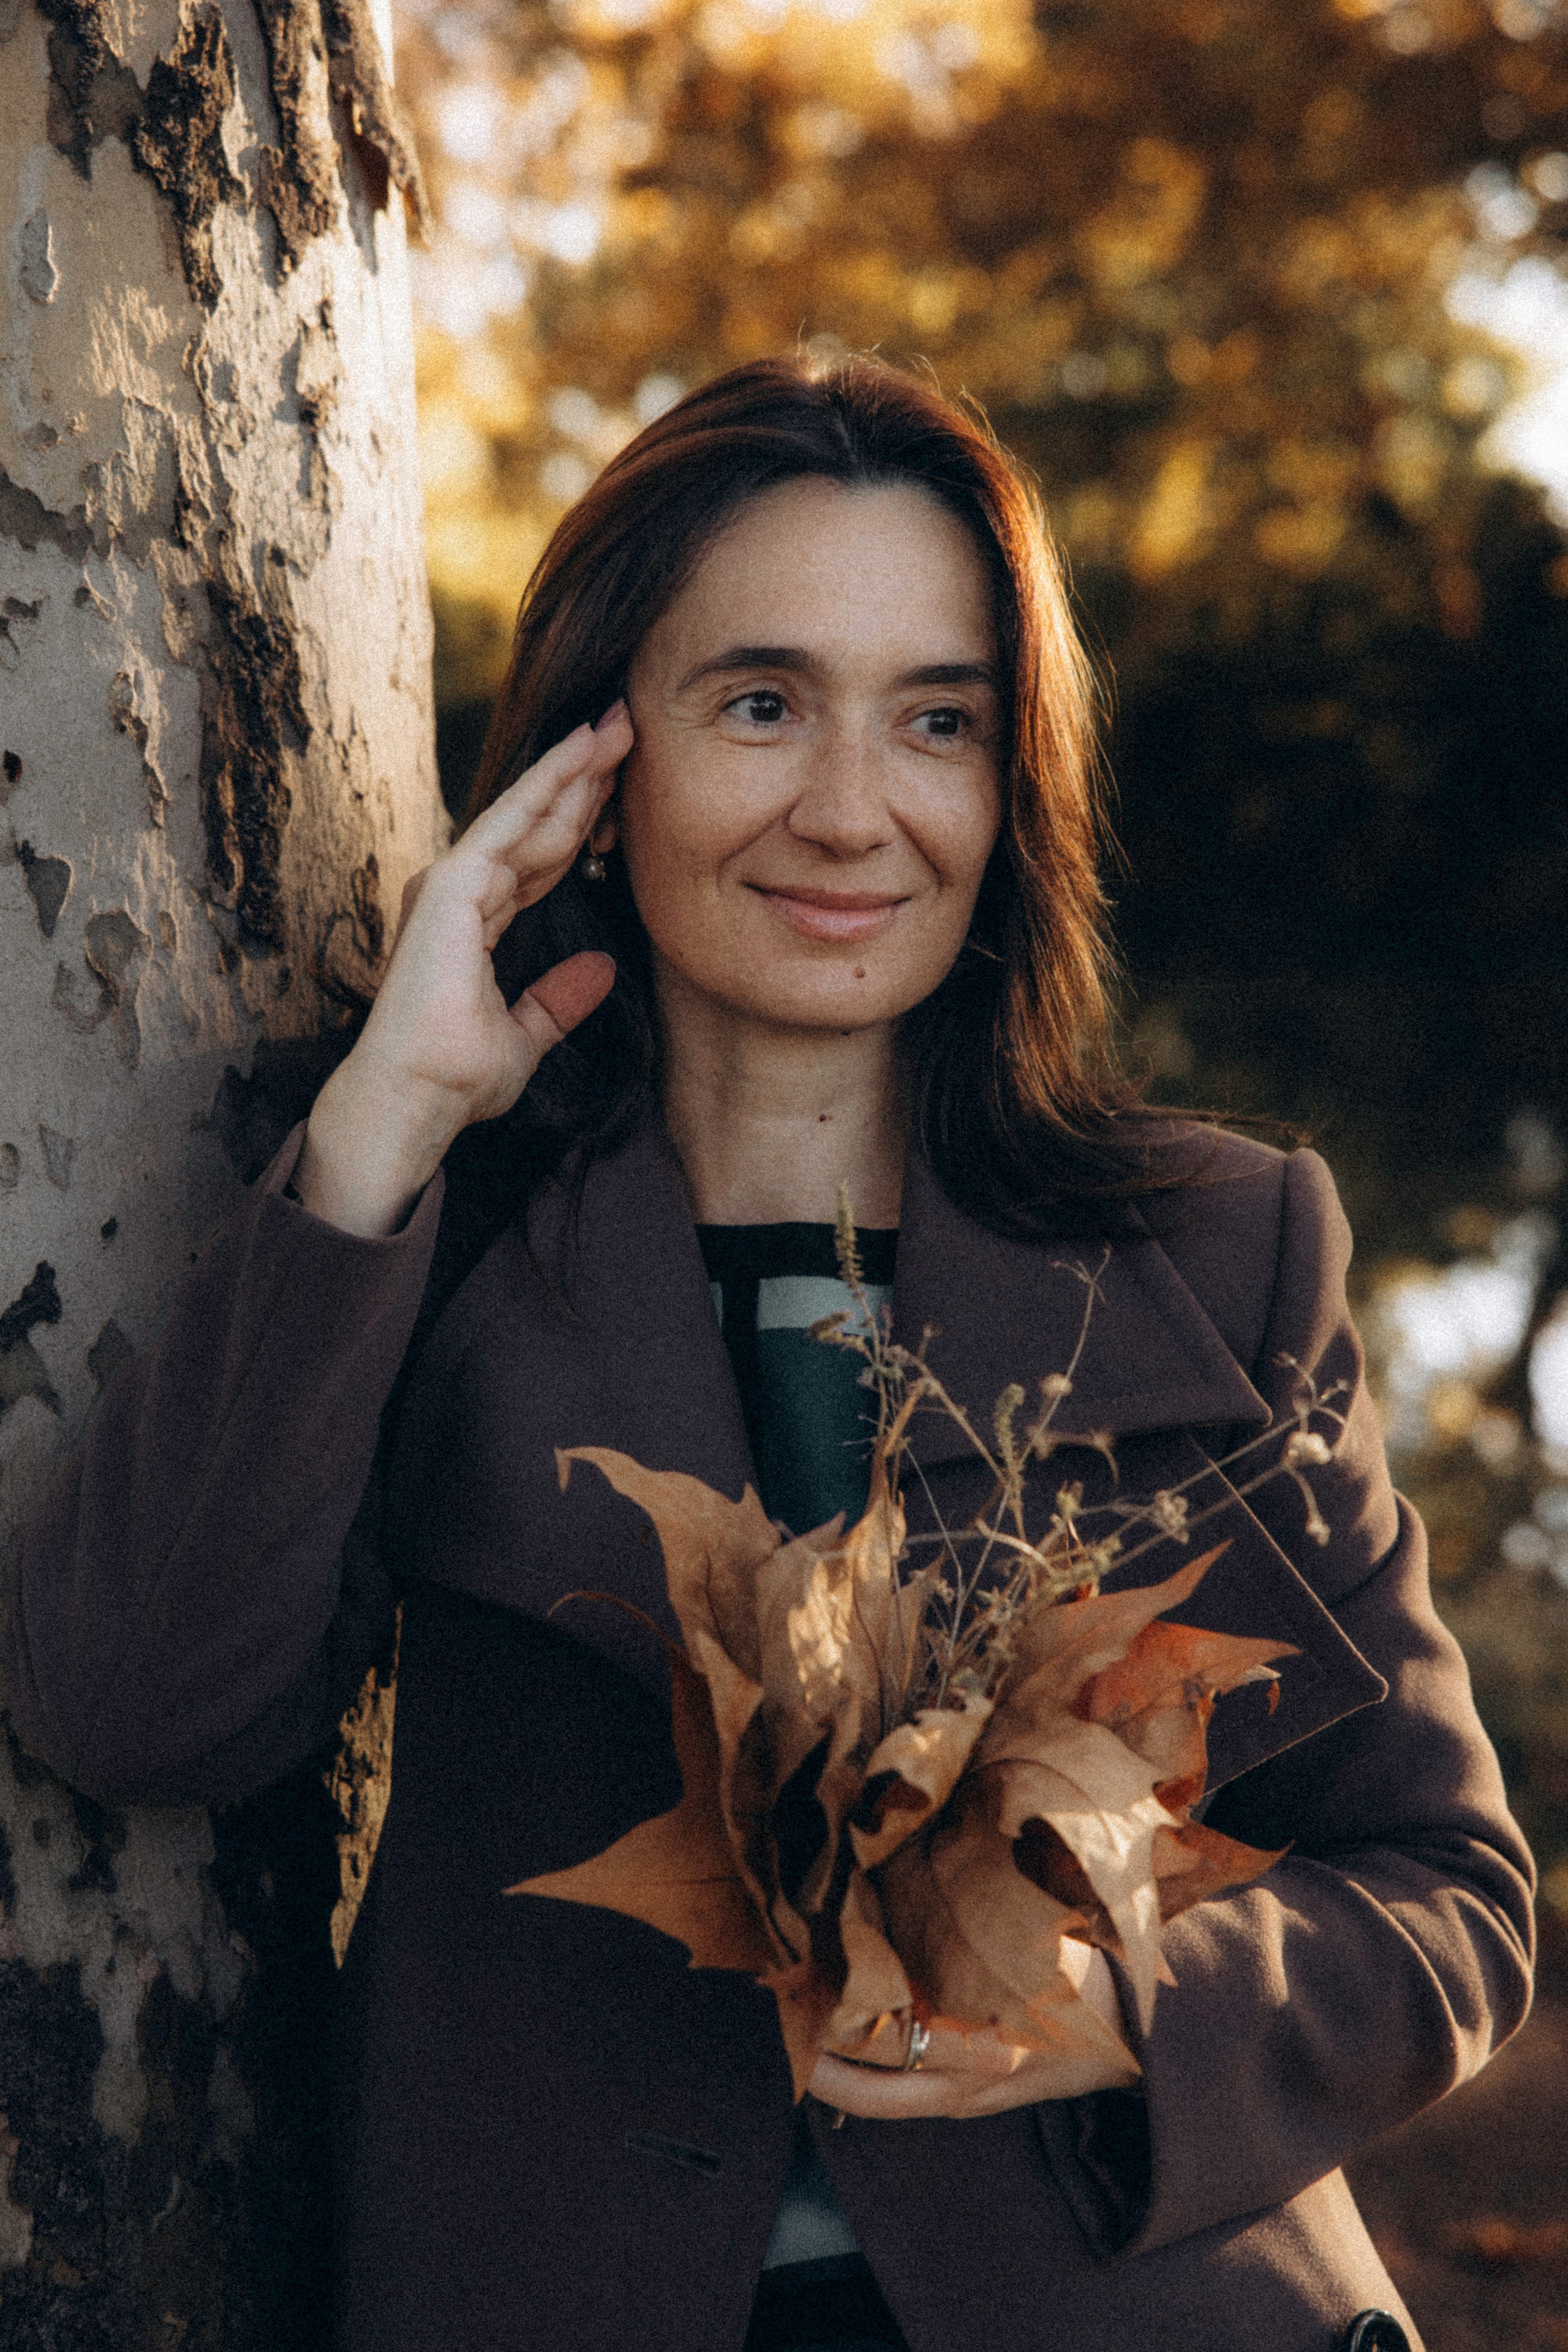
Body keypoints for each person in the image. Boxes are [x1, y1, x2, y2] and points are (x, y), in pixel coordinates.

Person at [2, 356, 1532, 2352]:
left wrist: (1130, 2007)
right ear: (597, 754)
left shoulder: (1219, 1248)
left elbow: (1451, 1898)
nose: (849, 809)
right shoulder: (416, 1234)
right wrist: (387, 1126)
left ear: (1012, 785)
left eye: (938, 723)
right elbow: (136, 1707)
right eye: (760, 703)